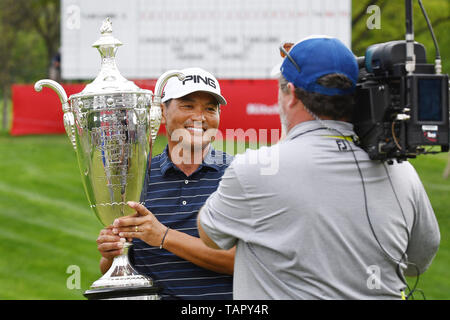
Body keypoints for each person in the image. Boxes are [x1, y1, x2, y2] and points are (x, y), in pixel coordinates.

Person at [197, 36, 440, 299]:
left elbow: (210, 235)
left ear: (290, 94)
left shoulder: (255, 169)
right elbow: (419, 259)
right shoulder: (402, 171)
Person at [97, 67, 235, 299]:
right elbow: (115, 269)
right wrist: (111, 255)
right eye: (187, 105)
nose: (200, 117)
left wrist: (163, 236)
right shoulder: (135, 177)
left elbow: (239, 261)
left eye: (210, 108)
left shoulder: (237, 175)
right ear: (162, 112)